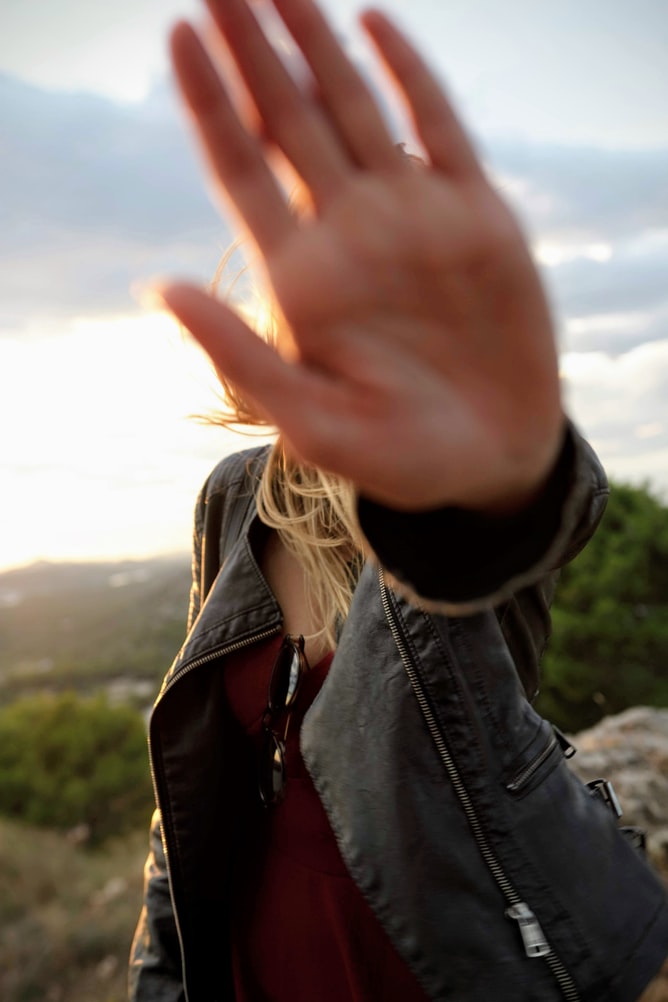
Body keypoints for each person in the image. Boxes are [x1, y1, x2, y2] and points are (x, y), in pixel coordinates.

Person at [129, 0, 668, 999]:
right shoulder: (233, 498)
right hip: (261, 936)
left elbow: (529, 510)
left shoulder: (460, 491)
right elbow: (196, 767)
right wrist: (162, 971)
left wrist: (498, 463)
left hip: (455, 947)